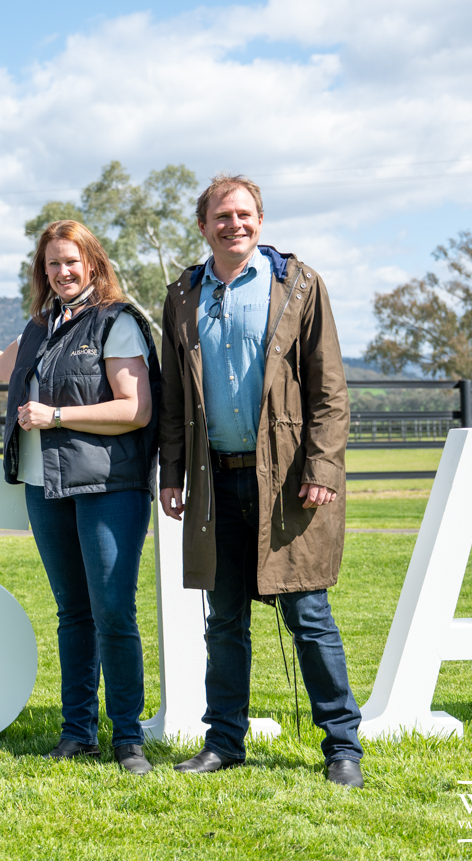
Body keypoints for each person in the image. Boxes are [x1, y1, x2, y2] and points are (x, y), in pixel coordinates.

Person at [0, 220, 160, 775]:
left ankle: (127, 739)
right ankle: (78, 733)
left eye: (71, 261)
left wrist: (54, 416)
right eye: (52, 263)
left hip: (107, 487)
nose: (62, 271)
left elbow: (136, 408)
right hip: (45, 487)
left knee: (112, 612)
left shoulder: (116, 321)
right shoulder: (40, 326)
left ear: (92, 262)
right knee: (73, 614)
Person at [158, 174, 363, 788]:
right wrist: (172, 473)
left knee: (308, 614)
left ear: (261, 221)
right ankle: (224, 743)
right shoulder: (182, 295)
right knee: (223, 622)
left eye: (244, 214)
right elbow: (173, 397)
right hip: (213, 483)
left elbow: (330, 390)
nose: (234, 225)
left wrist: (322, 467)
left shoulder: (299, 285)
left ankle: (342, 748)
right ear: (203, 226)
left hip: (289, 484)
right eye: (222, 216)